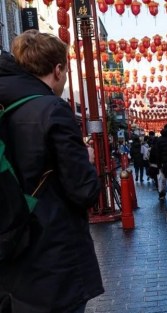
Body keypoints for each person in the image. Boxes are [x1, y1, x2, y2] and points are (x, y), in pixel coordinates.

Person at [0, 30, 103, 312]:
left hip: (8, 252)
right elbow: (84, 191)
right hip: (50, 255)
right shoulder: (52, 109)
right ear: (57, 70)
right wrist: (87, 160)